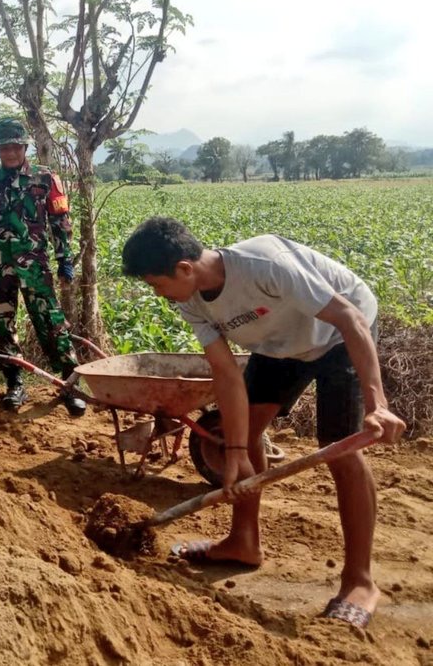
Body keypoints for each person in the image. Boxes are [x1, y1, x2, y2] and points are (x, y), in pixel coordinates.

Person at [121, 217, 406, 629]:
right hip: (278, 346)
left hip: (337, 337)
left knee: (340, 448)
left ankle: (359, 581)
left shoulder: (266, 263)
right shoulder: (189, 300)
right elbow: (226, 374)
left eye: (155, 284)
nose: (157, 293)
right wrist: (235, 452)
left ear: (184, 268)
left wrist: (377, 402)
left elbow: (350, 318)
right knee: (247, 431)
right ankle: (243, 543)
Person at [0, 117, 86, 416]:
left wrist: (65, 261)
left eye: (15, 147)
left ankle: (70, 385)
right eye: (4, 147)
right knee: (2, 325)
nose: (10, 153)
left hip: (35, 266)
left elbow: (60, 223)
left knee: (51, 323)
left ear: (25, 146)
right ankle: (14, 384)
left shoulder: (46, 179)